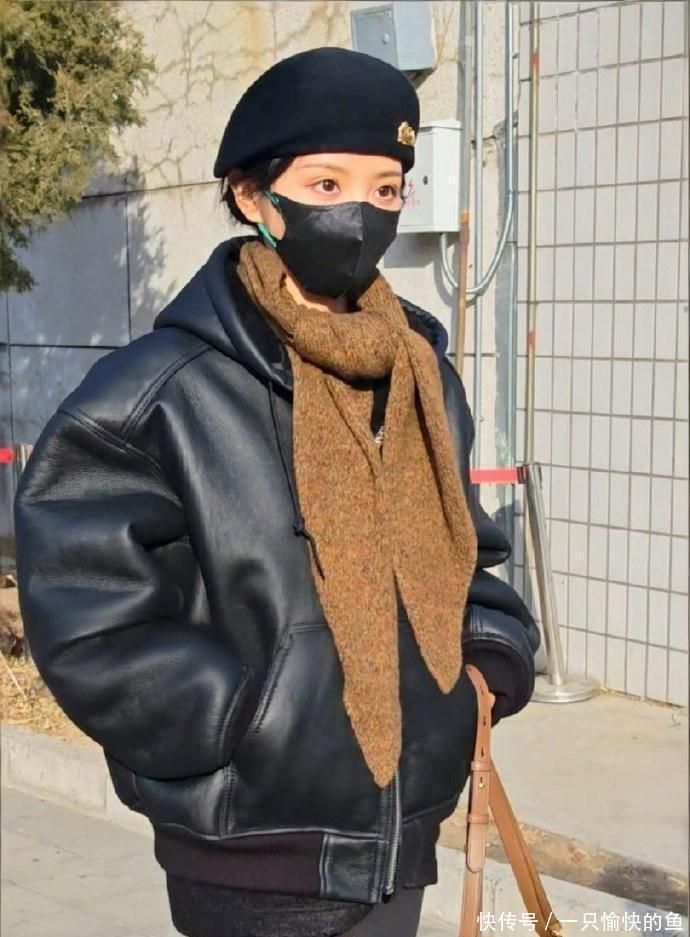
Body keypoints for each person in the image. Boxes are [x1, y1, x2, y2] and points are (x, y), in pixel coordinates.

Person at [13, 46, 540, 937]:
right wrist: (238, 719)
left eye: (385, 189)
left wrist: (483, 668)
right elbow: (84, 604)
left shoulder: (420, 375)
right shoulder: (164, 388)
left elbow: (468, 553)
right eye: (327, 184)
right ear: (254, 196)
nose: (360, 214)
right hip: (247, 851)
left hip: (405, 833)